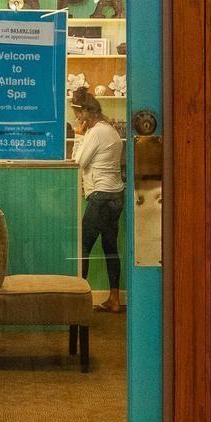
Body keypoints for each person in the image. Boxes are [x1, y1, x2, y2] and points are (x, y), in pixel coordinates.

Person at [71, 88, 126, 313]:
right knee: (110, 247)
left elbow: (79, 161)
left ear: (85, 112)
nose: (76, 118)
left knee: (82, 246)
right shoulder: (110, 130)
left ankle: (78, 303)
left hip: (100, 196)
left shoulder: (95, 132)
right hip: (115, 196)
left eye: (77, 113)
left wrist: (78, 135)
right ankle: (113, 299)